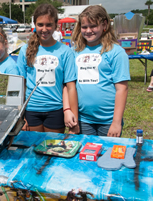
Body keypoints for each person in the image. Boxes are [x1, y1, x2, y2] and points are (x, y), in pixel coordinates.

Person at [17, 4, 78, 133]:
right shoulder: (25, 50)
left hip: (56, 110)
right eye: (40, 24)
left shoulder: (65, 52)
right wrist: (20, 114)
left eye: (49, 24)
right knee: (32, 149)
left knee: (53, 149)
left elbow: (70, 86)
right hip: (31, 110)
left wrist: (71, 113)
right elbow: (20, 84)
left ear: (56, 25)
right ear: (35, 25)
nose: (44, 29)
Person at [71, 5, 130, 137]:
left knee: (106, 156)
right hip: (83, 120)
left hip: (108, 121)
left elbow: (122, 89)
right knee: (84, 156)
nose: (88, 30)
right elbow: (70, 85)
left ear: (104, 25)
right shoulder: (75, 52)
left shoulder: (116, 52)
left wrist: (116, 122)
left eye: (93, 26)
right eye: (84, 27)